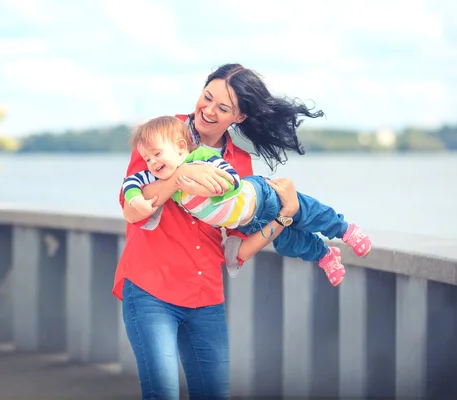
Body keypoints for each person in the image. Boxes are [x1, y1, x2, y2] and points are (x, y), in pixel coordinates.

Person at [114, 63, 321, 400]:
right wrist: (182, 173)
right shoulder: (160, 135)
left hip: (205, 297)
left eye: (223, 108)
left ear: (238, 117)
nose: (208, 110)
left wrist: (284, 218)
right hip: (151, 291)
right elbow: (132, 209)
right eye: (206, 97)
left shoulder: (239, 163)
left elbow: (237, 248)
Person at [122, 116, 371, 286]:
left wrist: (203, 188)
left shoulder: (202, 157)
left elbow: (233, 180)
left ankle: (345, 229)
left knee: (307, 212)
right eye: (147, 159)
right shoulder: (160, 174)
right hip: (247, 224)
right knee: (288, 243)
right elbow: (131, 183)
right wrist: (136, 202)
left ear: (179, 147)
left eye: (156, 154)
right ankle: (325, 255)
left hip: (262, 198)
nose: (152, 163)